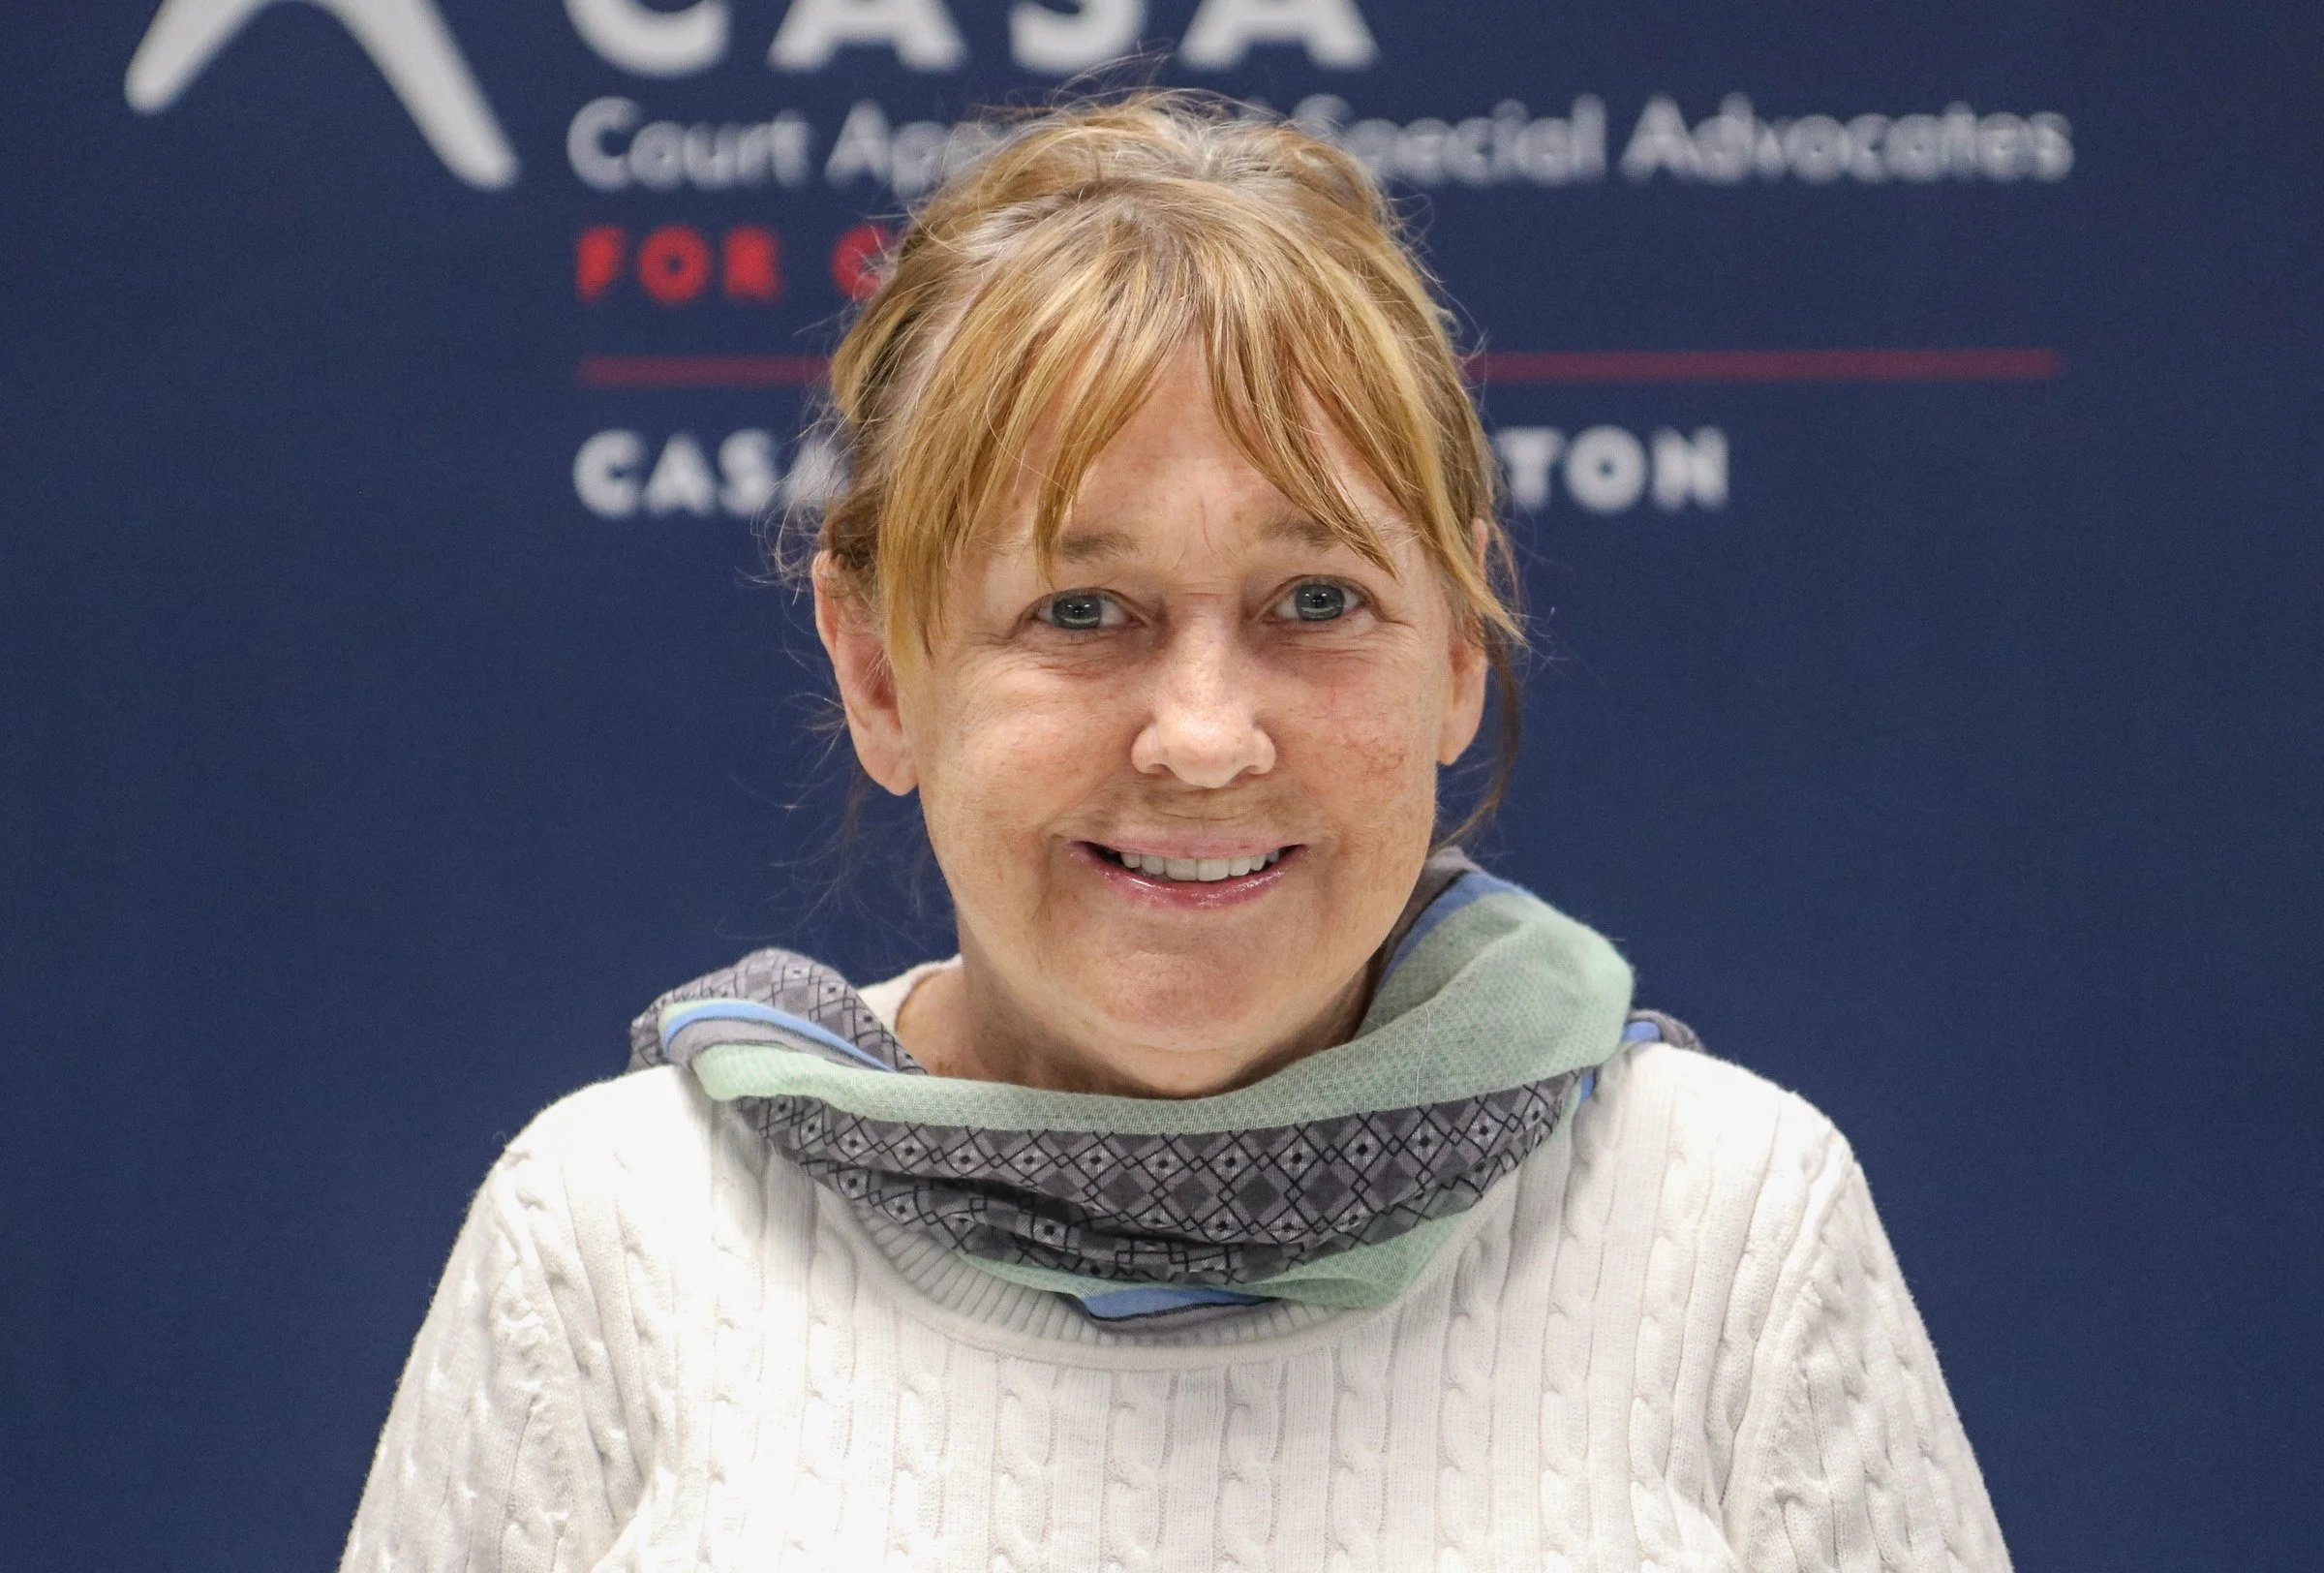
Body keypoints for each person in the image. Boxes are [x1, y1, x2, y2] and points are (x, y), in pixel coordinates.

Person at [342, 94, 2009, 1570]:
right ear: (879, 673)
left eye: (1315, 599)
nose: (1206, 737)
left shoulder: (1726, 1223)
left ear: (1457, 648)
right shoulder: (612, 1240)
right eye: (1082, 610)